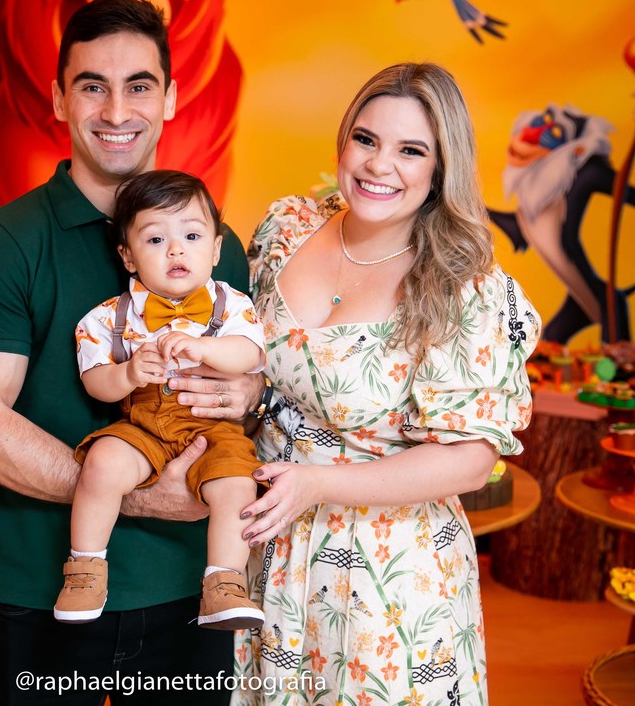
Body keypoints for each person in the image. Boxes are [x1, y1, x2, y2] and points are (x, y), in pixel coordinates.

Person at [0, 0, 249, 705]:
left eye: (139, 85)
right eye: (91, 86)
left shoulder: (215, 247)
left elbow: (251, 381)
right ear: (57, 99)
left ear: (170, 99)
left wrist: (247, 392)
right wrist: (136, 494)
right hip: (40, 593)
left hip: (188, 594)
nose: (116, 110)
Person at [230, 62, 539, 704]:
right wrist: (248, 394)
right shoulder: (286, 228)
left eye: (410, 150)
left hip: (387, 576)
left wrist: (317, 484)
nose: (379, 165)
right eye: (366, 139)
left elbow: (469, 461)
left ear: (441, 168)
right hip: (264, 545)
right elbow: (249, 355)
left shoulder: (465, 286)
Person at [59, 170, 265, 630]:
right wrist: (129, 373)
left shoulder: (231, 305)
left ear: (215, 249)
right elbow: (95, 382)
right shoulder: (109, 318)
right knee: (102, 463)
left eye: (192, 236)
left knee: (237, 485)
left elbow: (250, 354)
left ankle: (225, 583)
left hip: (213, 430)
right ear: (128, 256)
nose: (176, 250)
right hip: (144, 427)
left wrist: (205, 349)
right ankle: (85, 570)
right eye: (156, 240)